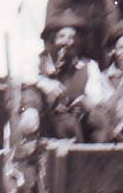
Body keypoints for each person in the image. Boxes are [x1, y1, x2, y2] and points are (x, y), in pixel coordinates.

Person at [34, 9, 105, 140]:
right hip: (44, 123)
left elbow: (96, 98)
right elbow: (21, 77)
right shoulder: (39, 61)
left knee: (93, 119)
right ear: (53, 39)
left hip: (75, 122)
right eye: (62, 36)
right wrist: (43, 82)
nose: (67, 42)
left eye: (72, 37)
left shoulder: (88, 66)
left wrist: (83, 102)